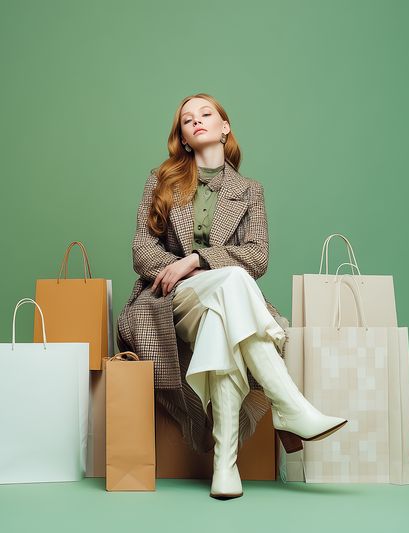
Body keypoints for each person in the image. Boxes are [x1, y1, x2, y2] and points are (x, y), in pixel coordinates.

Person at [116, 93, 347, 500]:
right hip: (169, 301)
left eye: (206, 114)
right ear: (184, 138)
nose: (197, 121)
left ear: (225, 128)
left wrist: (194, 259)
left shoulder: (250, 191)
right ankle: (290, 405)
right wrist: (181, 269)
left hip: (217, 303)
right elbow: (141, 249)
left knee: (223, 316)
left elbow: (257, 256)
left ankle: (226, 467)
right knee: (234, 282)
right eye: (188, 120)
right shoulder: (162, 180)